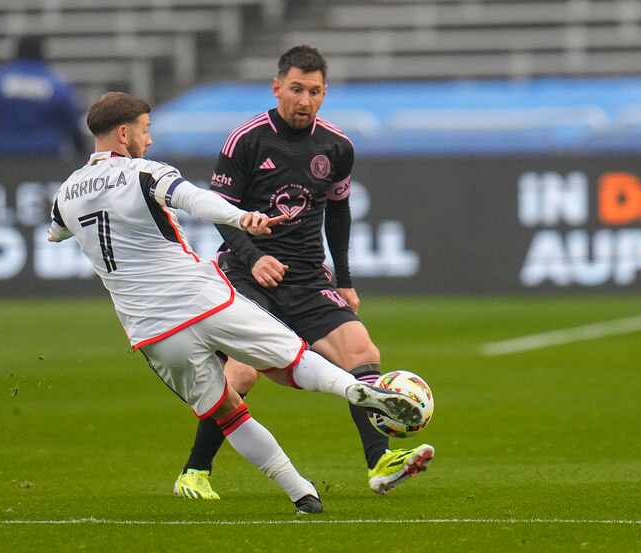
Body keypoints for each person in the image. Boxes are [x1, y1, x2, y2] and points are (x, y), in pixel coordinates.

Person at [47, 91, 426, 514]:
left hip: (151, 331)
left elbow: (56, 233)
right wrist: (242, 217)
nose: (148, 140)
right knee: (290, 359)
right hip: (200, 298)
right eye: (145, 130)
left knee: (228, 411)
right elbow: (195, 199)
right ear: (123, 133)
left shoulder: (65, 196)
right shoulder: (143, 172)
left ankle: (301, 493)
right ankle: (356, 390)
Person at [173, 45, 435, 500]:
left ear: (324, 93)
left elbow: (338, 212)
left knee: (360, 350)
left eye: (314, 92)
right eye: (296, 89)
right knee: (242, 374)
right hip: (246, 273)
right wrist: (254, 256)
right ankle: (195, 471)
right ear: (277, 88)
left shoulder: (336, 146)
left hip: (307, 278)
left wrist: (346, 279)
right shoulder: (246, 140)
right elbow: (220, 212)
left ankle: (380, 462)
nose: (305, 100)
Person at [0, 35, 85, 159]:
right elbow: (74, 127)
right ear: (42, 53)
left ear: (16, 53)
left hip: (4, 159)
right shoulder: (56, 84)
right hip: (47, 161)